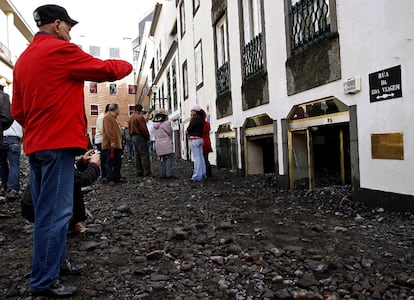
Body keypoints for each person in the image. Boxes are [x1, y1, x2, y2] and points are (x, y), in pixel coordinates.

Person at [11, 4, 132, 297]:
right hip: (57, 144)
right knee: (57, 213)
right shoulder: (60, 51)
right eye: (68, 26)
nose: (69, 32)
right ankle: (44, 281)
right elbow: (104, 69)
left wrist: (40, 127)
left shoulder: (24, 59)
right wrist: (127, 66)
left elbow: (17, 110)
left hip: (37, 145)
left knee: (45, 212)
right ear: (56, 25)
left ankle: (55, 264)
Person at [21, 149, 101, 233]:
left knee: (68, 185)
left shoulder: (51, 154)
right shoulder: (59, 158)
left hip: (31, 205)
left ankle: (65, 222)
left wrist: (83, 162)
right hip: (41, 210)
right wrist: (94, 164)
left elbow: (71, 173)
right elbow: (83, 179)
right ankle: (65, 222)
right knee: (72, 188)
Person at [0, 121, 23, 200]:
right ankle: (12, 189)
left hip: (1, 138)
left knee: (2, 164)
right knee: (14, 165)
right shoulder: (17, 111)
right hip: (15, 139)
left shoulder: (2, 112)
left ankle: (4, 186)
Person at [102, 103, 124, 185]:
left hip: (116, 144)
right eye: (118, 109)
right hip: (110, 145)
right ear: (115, 109)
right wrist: (113, 141)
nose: (119, 110)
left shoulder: (113, 118)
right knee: (110, 162)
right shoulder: (107, 117)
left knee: (117, 161)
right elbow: (109, 131)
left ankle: (116, 176)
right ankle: (110, 178)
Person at [128, 104, 151, 177]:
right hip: (140, 136)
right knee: (144, 154)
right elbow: (143, 129)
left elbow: (129, 128)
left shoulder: (131, 117)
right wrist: (147, 137)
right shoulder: (140, 117)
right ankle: (146, 171)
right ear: (141, 109)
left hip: (133, 136)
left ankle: (139, 171)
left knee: (137, 154)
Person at [153, 109, 174, 179]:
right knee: (168, 158)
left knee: (162, 159)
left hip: (158, 143)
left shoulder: (154, 124)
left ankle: (162, 174)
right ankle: (169, 174)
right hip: (166, 143)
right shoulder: (165, 123)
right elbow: (170, 131)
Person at [187, 105, 206, 182]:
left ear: (195, 111)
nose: (191, 112)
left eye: (191, 110)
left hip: (194, 139)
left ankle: (197, 176)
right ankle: (203, 173)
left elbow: (189, 128)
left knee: (197, 158)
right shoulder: (201, 119)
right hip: (200, 139)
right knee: (201, 157)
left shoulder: (194, 119)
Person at [94, 103, 110, 181]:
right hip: (101, 140)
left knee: (105, 158)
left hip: (103, 140)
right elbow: (102, 130)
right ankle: (104, 175)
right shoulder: (102, 117)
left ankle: (106, 175)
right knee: (104, 159)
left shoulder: (104, 117)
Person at [200, 109, 213, 178]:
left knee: (203, 159)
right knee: (206, 158)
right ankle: (208, 172)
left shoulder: (200, 124)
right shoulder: (207, 124)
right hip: (207, 142)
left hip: (202, 142)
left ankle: (205, 173)